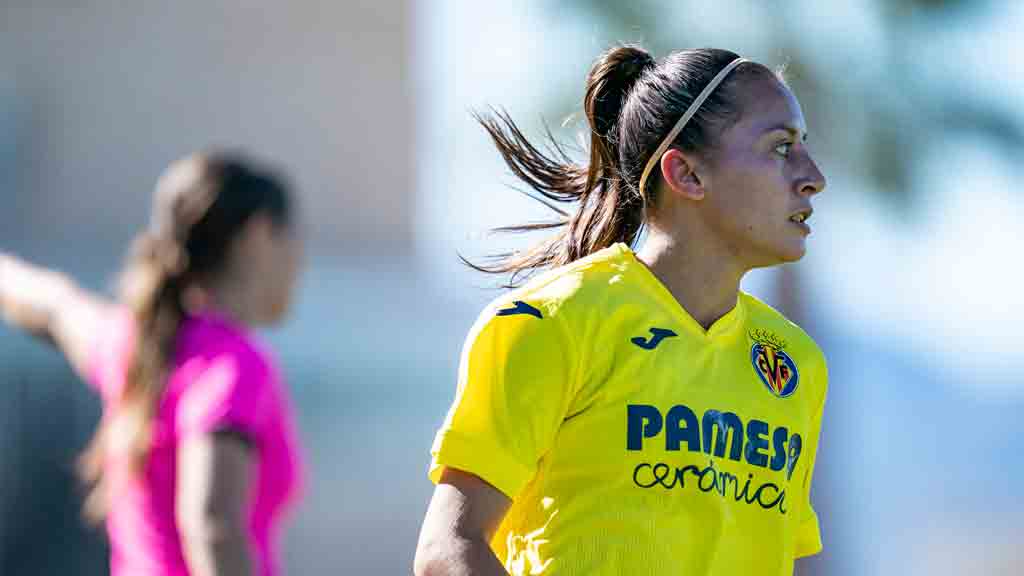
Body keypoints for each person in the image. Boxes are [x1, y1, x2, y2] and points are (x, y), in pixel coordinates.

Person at [414, 45, 828, 575]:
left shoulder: (796, 364)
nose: (812, 175)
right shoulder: (553, 323)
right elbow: (447, 552)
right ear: (686, 174)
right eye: (780, 147)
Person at [0, 152, 305, 576]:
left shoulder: (134, 343)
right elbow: (212, 525)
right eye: (292, 239)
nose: (298, 263)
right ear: (257, 235)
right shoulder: (232, 366)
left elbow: (52, 304)